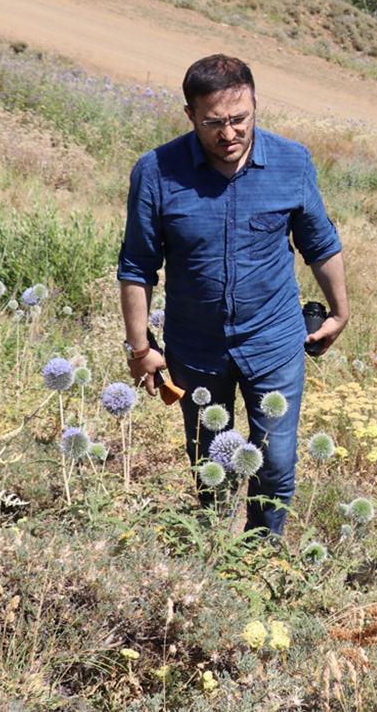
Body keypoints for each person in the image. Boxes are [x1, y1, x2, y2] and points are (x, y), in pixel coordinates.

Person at [117, 54, 349, 535]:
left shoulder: (292, 162)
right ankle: (212, 557)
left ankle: (261, 557)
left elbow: (320, 244)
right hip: (196, 348)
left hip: (275, 342)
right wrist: (140, 350)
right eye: (213, 123)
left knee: (276, 464)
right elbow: (137, 266)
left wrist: (341, 312)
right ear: (190, 116)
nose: (229, 134)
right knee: (210, 464)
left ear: (255, 106)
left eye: (240, 119)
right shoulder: (157, 172)